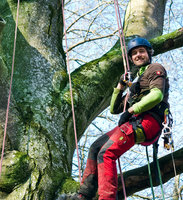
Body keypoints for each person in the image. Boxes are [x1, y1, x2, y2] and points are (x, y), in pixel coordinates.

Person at [66, 37, 170, 200]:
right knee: (95, 148)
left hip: (148, 121)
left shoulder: (155, 68)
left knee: (106, 153)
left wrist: (131, 110)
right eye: (134, 53)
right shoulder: (136, 85)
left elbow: (157, 95)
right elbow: (115, 109)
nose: (138, 55)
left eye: (141, 51)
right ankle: (84, 195)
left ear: (149, 53)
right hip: (135, 122)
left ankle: (107, 198)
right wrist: (120, 87)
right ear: (130, 58)